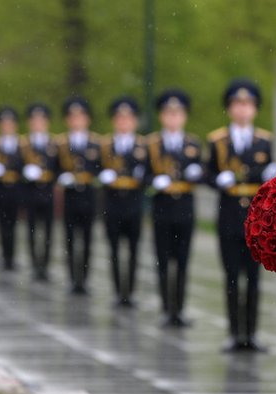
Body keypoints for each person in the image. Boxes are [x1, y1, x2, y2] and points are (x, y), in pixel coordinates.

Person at [207, 79, 276, 352]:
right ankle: (234, 332)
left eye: (247, 104)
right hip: (228, 214)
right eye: (237, 104)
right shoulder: (217, 141)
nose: (242, 110)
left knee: (254, 278)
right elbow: (206, 173)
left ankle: (251, 333)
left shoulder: (264, 140)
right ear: (229, 108)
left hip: (256, 218)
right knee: (231, 277)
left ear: (255, 109)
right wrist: (217, 179)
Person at [146, 89, 203, 327]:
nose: (173, 118)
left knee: (182, 260)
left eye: (177, 113)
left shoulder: (192, 143)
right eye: (169, 113)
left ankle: (179, 308)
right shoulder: (151, 144)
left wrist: (197, 173)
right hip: (162, 206)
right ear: (162, 116)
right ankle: (166, 308)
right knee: (162, 258)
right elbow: (142, 173)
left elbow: (203, 170)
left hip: (185, 206)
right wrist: (153, 180)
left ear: (184, 117)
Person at [100, 96, 148, 307]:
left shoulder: (144, 146)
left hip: (134, 202)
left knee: (134, 249)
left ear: (135, 122)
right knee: (114, 248)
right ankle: (118, 291)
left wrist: (142, 176)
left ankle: (131, 292)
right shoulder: (105, 145)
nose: (124, 123)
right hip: (112, 202)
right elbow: (95, 167)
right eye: (120, 119)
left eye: (128, 119)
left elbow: (150, 171)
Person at [55, 97, 102, 295]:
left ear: (87, 119)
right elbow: (53, 167)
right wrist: (61, 177)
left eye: (81, 117)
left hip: (88, 193)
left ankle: (85, 279)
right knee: (70, 239)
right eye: (73, 117)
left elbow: (101, 167)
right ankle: (72, 279)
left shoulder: (97, 143)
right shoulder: (61, 143)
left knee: (88, 238)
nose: (77, 121)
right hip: (70, 195)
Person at [20, 102, 58, 282]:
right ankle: (35, 264)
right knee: (32, 230)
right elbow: (15, 165)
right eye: (34, 120)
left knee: (49, 231)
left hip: (48, 192)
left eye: (41, 120)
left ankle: (46, 266)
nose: (38, 124)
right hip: (31, 192)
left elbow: (60, 167)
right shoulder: (24, 144)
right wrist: (24, 172)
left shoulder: (55, 144)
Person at [0, 107, 25, 271]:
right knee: (2, 224)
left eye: (10, 123)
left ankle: (12, 256)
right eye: (4, 123)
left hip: (16, 189)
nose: (7, 126)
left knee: (14, 224)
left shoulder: (22, 145)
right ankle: (5, 256)